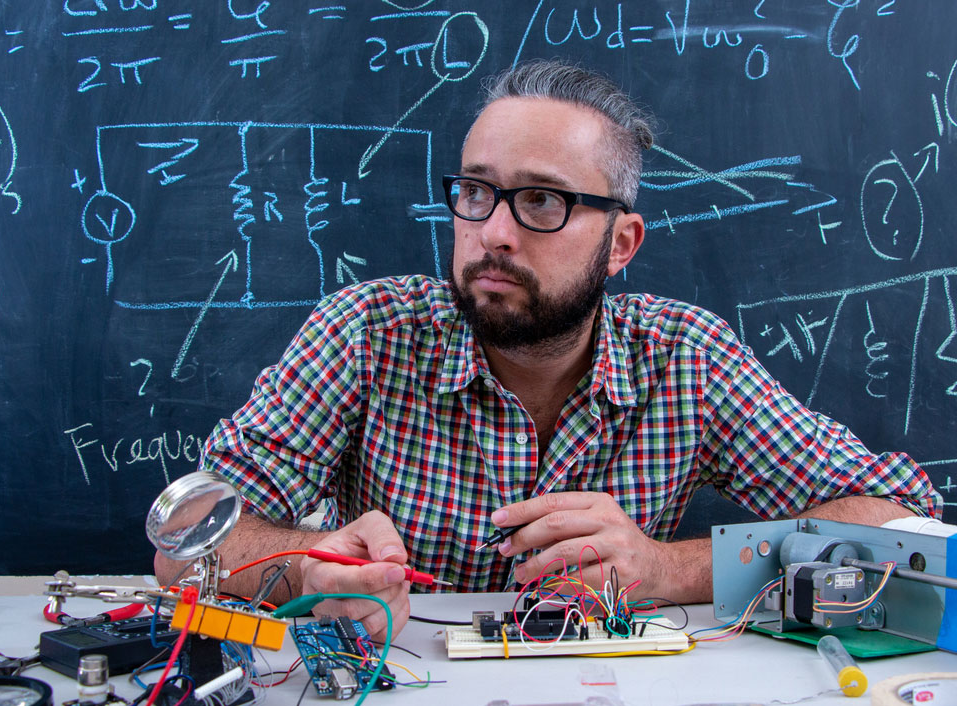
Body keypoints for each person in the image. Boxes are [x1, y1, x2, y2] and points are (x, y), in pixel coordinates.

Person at [155, 60, 940, 640]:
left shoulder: (686, 359)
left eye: (541, 200)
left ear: (621, 243)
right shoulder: (364, 334)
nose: (493, 232)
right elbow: (183, 545)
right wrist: (307, 566)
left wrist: (668, 569)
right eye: (475, 191)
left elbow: (902, 520)